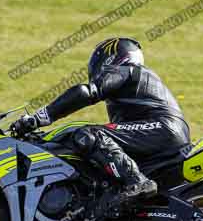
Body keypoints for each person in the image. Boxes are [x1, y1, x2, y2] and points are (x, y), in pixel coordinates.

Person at [11, 37, 190, 202]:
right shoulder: (132, 86)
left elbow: (86, 93)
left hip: (163, 128)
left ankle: (137, 182)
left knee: (89, 134)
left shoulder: (128, 70)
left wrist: (38, 118)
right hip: (165, 133)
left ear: (110, 59)